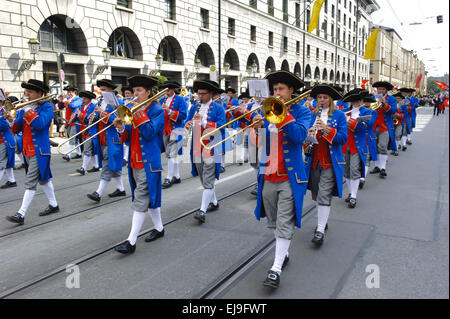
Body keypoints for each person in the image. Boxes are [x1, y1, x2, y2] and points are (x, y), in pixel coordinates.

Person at [250, 71, 311, 289]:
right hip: (268, 173)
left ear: (291, 91)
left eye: (281, 89)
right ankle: (283, 254)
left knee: (285, 223)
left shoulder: (303, 112)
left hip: (290, 177)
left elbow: (298, 137)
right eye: (274, 89)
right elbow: (260, 144)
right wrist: (256, 128)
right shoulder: (266, 110)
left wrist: (281, 114)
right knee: (275, 222)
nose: (276, 93)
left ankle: (275, 269)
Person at [113, 75, 165, 254]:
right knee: (148, 197)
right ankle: (159, 228)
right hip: (134, 161)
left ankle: (131, 241)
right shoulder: (133, 109)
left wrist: (138, 113)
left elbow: (150, 133)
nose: (135, 94)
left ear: (148, 92)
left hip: (149, 162)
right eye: (134, 91)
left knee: (141, 198)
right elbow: (127, 138)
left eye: (139, 91)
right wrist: (120, 128)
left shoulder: (157, 110)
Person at [6, 80, 59, 225]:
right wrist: (12, 120)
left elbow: (41, 124)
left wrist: (29, 111)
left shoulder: (47, 107)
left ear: (39, 93)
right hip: (27, 150)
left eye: (29, 92)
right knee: (44, 179)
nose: (26, 95)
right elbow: (16, 129)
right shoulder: (25, 108)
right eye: (26, 92)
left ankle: (21, 214)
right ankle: (54, 204)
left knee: (30, 181)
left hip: (40, 150)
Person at [303, 85, 346, 246]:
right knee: (316, 194)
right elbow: (304, 140)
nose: (321, 100)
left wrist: (326, 129)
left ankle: (320, 229)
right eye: (319, 97)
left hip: (329, 161)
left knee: (324, 195)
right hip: (313, 160)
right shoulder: (311, 114)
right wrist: (308, 135)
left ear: (331, 100)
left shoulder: (339, 115)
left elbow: (342, 139)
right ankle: (323, 220)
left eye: (325, 97)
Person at [184, 80, 226, 224]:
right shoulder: (194, 108)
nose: (199, 96)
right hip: (196, 147)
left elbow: (221, 128)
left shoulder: (218, 108)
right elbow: (187, 124)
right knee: (203, 178)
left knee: (208, 178)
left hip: (211, 148)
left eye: (203, 94)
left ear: (211, 94)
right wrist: (187, 125)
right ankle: (214, 202)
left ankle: (202, 210)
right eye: (198, 94)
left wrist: (203, 123)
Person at [86, 79, 125, 203]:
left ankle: (98, 192)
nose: (101, 92)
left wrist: (101, 113)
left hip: (113, 138)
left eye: (103, 90)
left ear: (110, 89)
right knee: (113, 165)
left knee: (107, 165)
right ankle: (121, 189)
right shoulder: (101, 101)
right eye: (100, 90)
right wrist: (93, 116)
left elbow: (116, 120)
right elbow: (100, 119)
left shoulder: (118, 102)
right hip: (102, 138)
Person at [341, 89, 372, 208]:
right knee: (346, 171)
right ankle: (350, 192)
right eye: (354, 100)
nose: (356, 103)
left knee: (354, 170)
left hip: (357, 146)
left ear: (362, 100)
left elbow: (368, 126)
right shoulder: (344, 111)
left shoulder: (367, 112)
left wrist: (352, 122)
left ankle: (354, 196)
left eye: (358, 100)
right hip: (345, 145)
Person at [159, 80, 188, 189]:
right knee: (171, 154)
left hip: (175, 129)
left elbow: (184, 115)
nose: (167, 91)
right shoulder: (162, 100)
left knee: (171, 154)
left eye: (169, 89)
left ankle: (169, 178)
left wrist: (170, 111)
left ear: (173, 89)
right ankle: (177, 176)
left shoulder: (180, 99)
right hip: (165, 129)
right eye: (165, 89)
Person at [369, 81, 397, 178]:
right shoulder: (372, 98)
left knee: (383, 146)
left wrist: (384, 103)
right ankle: (377, 166)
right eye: (379, 89)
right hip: (373, 126)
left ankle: (383, 168)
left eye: (383, 89)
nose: (381, 91)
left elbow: (393, 111)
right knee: (375, 146)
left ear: (386, 90)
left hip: (384, 126)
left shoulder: (392, 99)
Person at [74, 91, 100, 175]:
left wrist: (80, 114)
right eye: (82, 98)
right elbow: (80, 118)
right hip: (82, 130)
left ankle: (83, 168)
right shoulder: (82, 107)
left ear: (89, 99)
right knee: (90, 150)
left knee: (87, 149)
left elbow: (90, 119)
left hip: (90, 130)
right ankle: (96, 166)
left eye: (85, 98)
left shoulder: (93, 106)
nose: (83, 100)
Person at [359, 91, 378, 189]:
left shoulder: (373, 111)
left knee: (366, 158)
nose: (366, 103)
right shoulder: (356, 110)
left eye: (368, 101)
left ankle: (362, 178)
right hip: (357, 138)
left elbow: (370, 123)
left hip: (367, 137)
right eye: (364, 101)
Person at [58, 86, 82, 161]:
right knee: (75, 138)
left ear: (74, 92)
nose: (69, 93)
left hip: (75, 121)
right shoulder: (67, 99)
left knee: (72, 137)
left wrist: (65, 101)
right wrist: (61, 100)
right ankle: (79, 153)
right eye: (68, 92)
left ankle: (68, 155)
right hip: (68, 121)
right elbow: (60, 107)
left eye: (71, 92)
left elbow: (73, 105)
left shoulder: (78, 99)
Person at [0, 96, 17, 188]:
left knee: (1, 163)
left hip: (5, 141)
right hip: (3, 140)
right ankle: (12, 180)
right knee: (7, 163)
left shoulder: (4, 112)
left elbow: (2, 126)